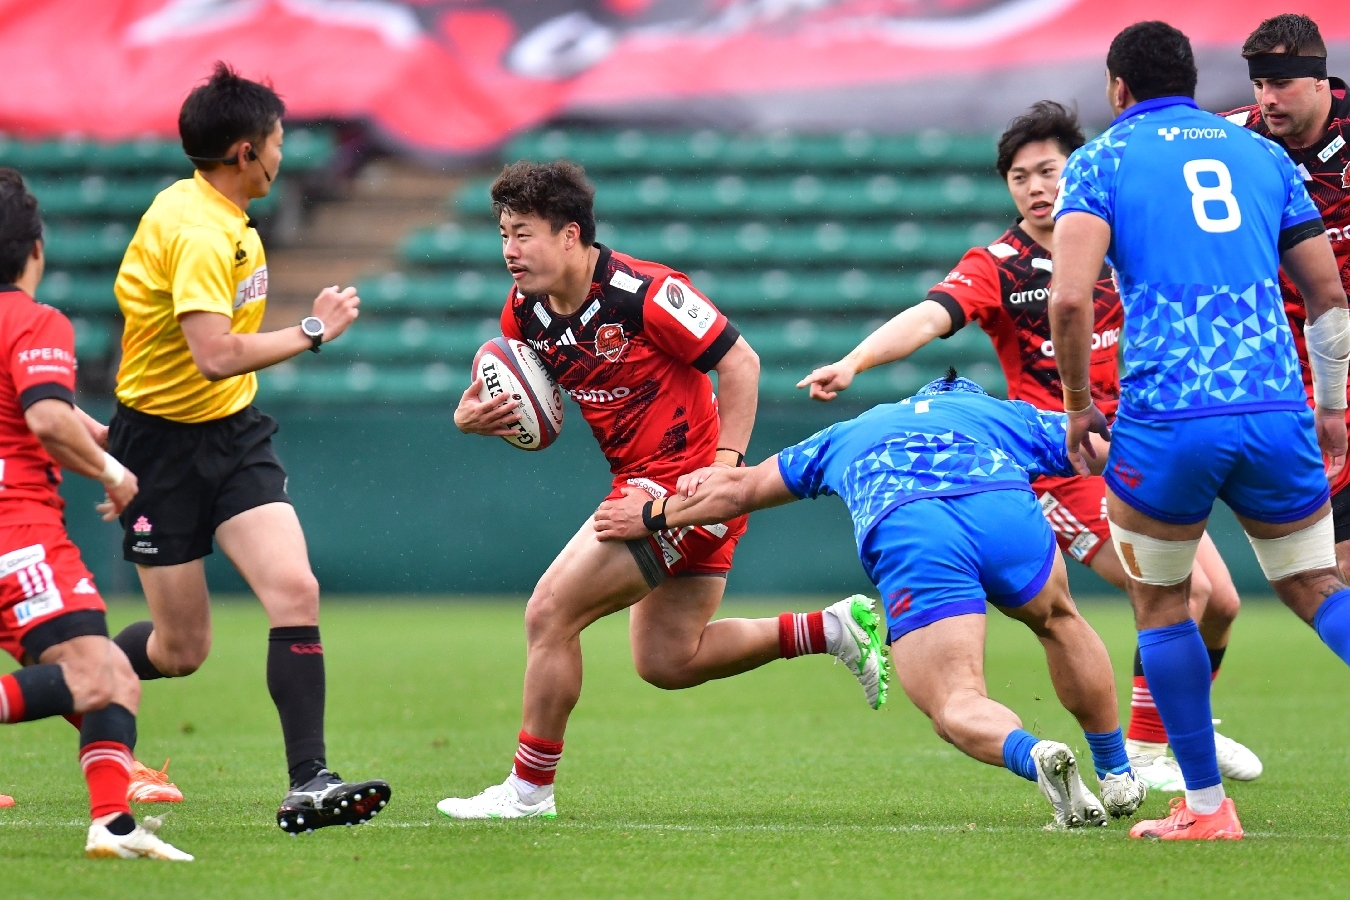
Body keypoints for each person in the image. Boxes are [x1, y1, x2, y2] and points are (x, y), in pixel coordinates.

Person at [797, 100, 1258, 791]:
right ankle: (1147, 748)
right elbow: (929, 316)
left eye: (1048, 171)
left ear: (1078, 169)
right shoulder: (1000, 265)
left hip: (1134, 450)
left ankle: (1182, 720)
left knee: (1220, 603)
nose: (1036, 188)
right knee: (1181, 590)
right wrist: (854, 362)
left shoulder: (1117, 240)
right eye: (1020, 177)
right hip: (1058, 463)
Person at [441, 160, 888, 820]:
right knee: (668, 659)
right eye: (504, 234)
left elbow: (741, 361)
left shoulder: (645, 292)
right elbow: (529, 402)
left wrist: (725, 469)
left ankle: (529, 792)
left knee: (549, 614)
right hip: (641, 487)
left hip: (688, 487)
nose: (509, 250)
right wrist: (470, 418)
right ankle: (830, 629)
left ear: (570, 235)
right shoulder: (525, 312)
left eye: (524, 234)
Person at [595, 372, 1149, 828]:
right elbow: (1109, 449)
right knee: (1059, 620)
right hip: (1001, 509)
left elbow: (738, 490)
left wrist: (651, 515)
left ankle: (1033, 753)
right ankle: (1117, 772)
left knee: (955, 700)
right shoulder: (1003, 414)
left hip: (915, 528)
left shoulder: (852, 430)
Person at [1049, 20, 1350, 841]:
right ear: (1192, 80)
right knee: (1315, 585)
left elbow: (1070, 298)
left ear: (1119, 88)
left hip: (1168, 416)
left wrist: (1077, 406)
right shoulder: (1261, 155)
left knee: (1161, 603)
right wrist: (1330, 406)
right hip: (1277, 409)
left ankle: (1208, 811)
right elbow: (1327, 296)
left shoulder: (1102, 159)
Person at [104, 62, 388, 833]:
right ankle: (72, 672)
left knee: (295, 590)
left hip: (232, 434)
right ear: (245, 151)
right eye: (278, 140)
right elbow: (214, 354)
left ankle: (309, 781)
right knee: (181, 649)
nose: (283, 153)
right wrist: (314, 329)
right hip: (160, 449)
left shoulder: (220, 212)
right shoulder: (198, 230)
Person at [0, 169, 191, 860]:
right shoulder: (34, 319)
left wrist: (101, 438)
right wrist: (115, 474)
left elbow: (39, 401)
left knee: (112, 674)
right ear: (36, 249)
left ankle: (111, 824)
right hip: (17, 531)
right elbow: (46, 417)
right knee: (96, 675)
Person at [1222, 14, 1350, 576]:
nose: (1266, 99)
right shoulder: (1235, 140)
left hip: (1339, 342)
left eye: (1280, 83)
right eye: (1258, 84)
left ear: (1320, 81)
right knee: (1332, 558)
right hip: (1292, 362)